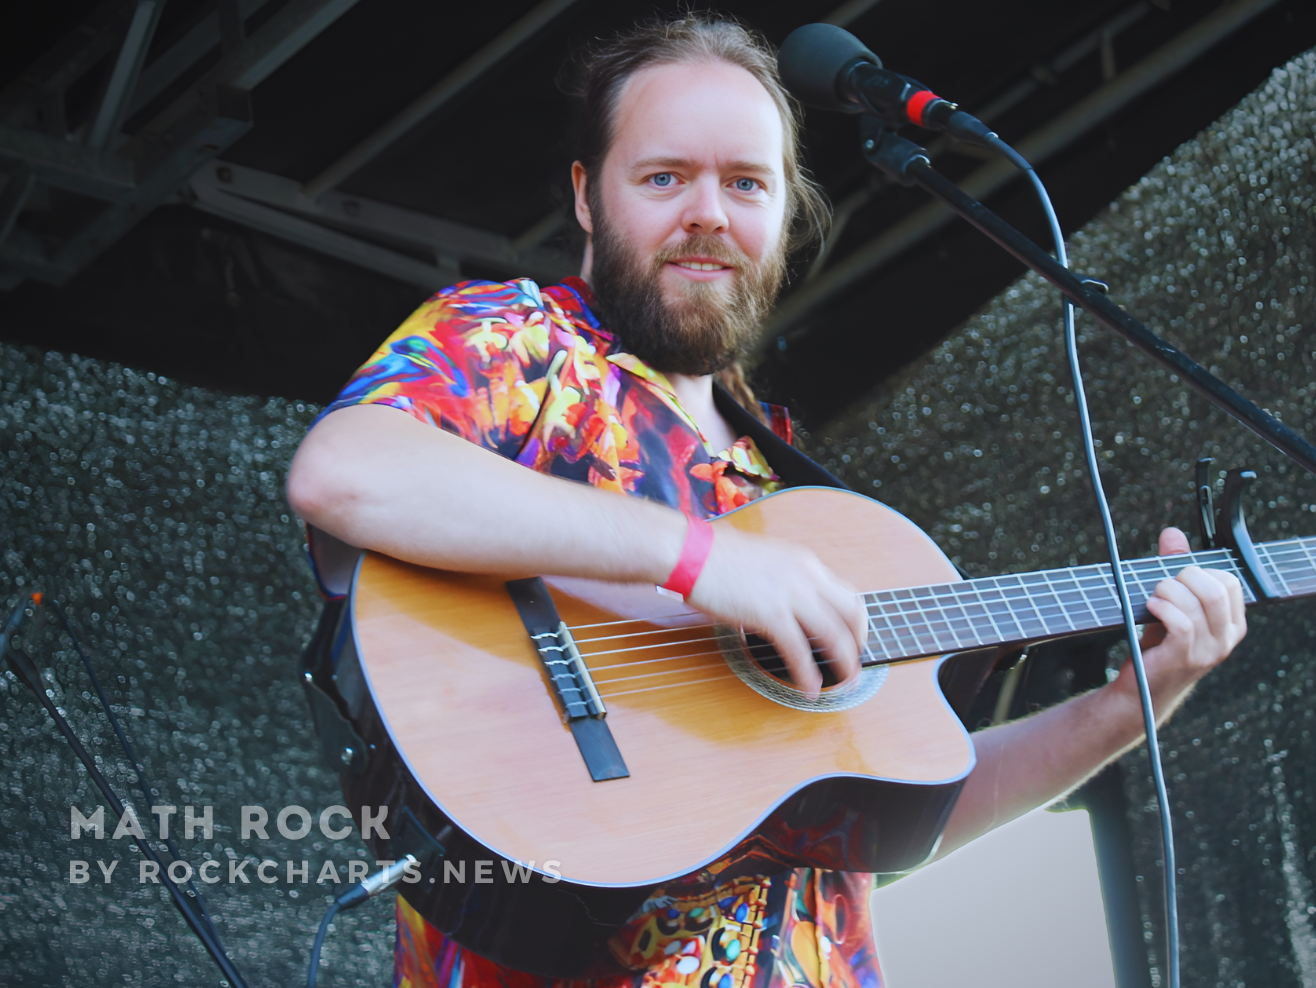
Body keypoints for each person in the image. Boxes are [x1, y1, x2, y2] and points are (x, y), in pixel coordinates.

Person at [285, 13, 1247, 988]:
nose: (708, 212)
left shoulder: (789, 492)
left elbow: (890, 821)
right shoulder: (522, 347)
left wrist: (1133, 703)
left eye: (746, 183)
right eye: (665, 177)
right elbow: (349, 471)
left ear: (785, 212)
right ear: (587, 197)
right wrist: (700, 561)